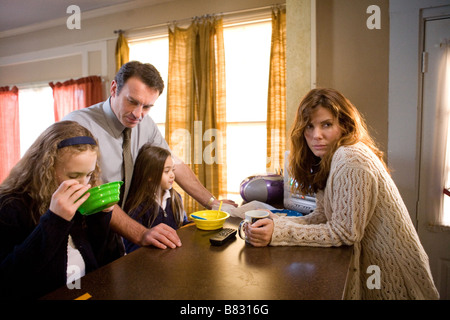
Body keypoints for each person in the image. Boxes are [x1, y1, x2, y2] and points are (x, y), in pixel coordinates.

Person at [245, 88, 439, 300]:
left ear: (344, 125)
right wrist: (277, 223)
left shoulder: (350, 159)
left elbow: (345, 233)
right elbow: (321, 217)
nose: (316, 135)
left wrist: (278, 233)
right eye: (309, 126)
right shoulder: (330, 157)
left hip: (394, 277)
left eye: (326, 124)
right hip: (375, 273)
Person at [63, 61, 236, 250]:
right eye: (133, 101)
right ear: (114, 89)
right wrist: (141, 233)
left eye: (147, 106)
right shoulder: (78, 125)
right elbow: (93, 193)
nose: (138, 114)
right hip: (83, 237)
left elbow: (174, 164)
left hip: (120, 236)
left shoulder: (146, 124)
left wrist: (212, 202)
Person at [0, 121, 121, 300]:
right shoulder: (10, 206)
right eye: (73, 176)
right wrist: (55, 220)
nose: (84, 184)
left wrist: (101, 217)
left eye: (88, 174)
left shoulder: (80, 198)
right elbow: (9, 278)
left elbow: (104, 261)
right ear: (46, 169)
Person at [123, 144, 189, 253]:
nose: (172, 175)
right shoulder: (138, 207)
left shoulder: (175, 198)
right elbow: (130, 246)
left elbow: (182, 225)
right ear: (150, 175)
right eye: (167, 171)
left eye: (173, 170)